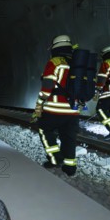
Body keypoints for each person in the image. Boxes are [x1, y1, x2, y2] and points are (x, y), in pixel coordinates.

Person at [31, 35, 81, 176]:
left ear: (55, 48)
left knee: (44, 130)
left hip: (54, 109)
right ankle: (70, 168)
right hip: (73, 111)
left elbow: (47, 86)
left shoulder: (55, 62)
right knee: (69, 138)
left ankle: (55, 159)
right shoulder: (78, 63)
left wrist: (39, 104)